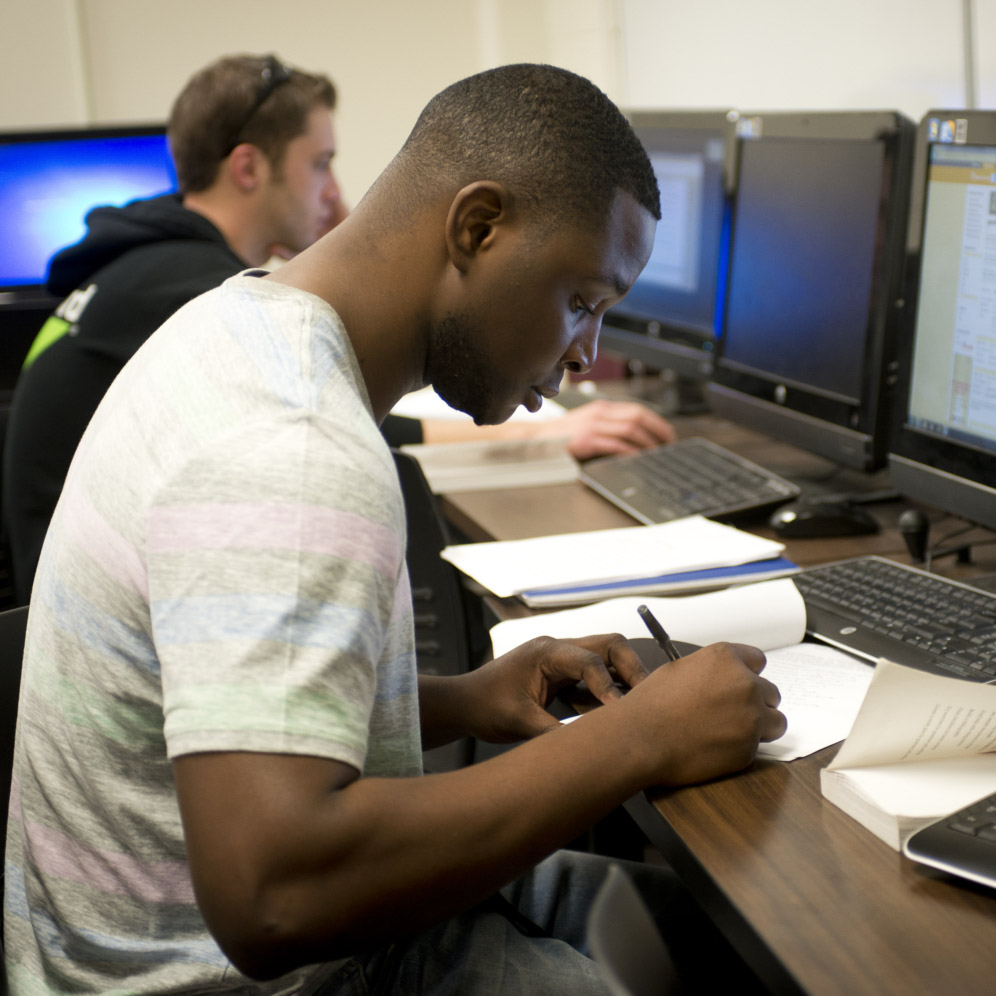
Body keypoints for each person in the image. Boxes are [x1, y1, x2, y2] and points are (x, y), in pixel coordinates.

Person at [4, 64, 785, 994]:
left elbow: (224, 696)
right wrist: (639, 739)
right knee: (749, 952)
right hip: (229, 969)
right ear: (477, 226)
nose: (588, 354)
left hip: (128, 937)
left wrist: (465, 699)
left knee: (705, 934)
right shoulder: (297, 445)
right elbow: (275, 896)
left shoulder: (235, 325)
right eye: (582, 301)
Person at [1, 52, 344, 606]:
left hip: (65, 601)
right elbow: (337, 424)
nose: (332, 192)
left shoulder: (144, 266)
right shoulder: (206, 295)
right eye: (321, 163)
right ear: (249, 168)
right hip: (101, 621)